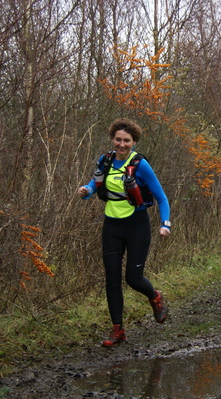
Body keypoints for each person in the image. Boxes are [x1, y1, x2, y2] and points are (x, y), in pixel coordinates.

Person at [78, 118, 172, 347]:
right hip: (111, 226)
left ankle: (155, 297)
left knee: (133, 278)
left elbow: (161, 197)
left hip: (136, 225)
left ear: (134, 142)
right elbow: (94, 183)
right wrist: (86, 190)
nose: (122, 144)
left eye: (126, 141)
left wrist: (165, 223)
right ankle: (117, 330)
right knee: (111, 278)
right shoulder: (106, 160)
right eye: (118, 139)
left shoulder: (140, 165)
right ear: (112, 139)